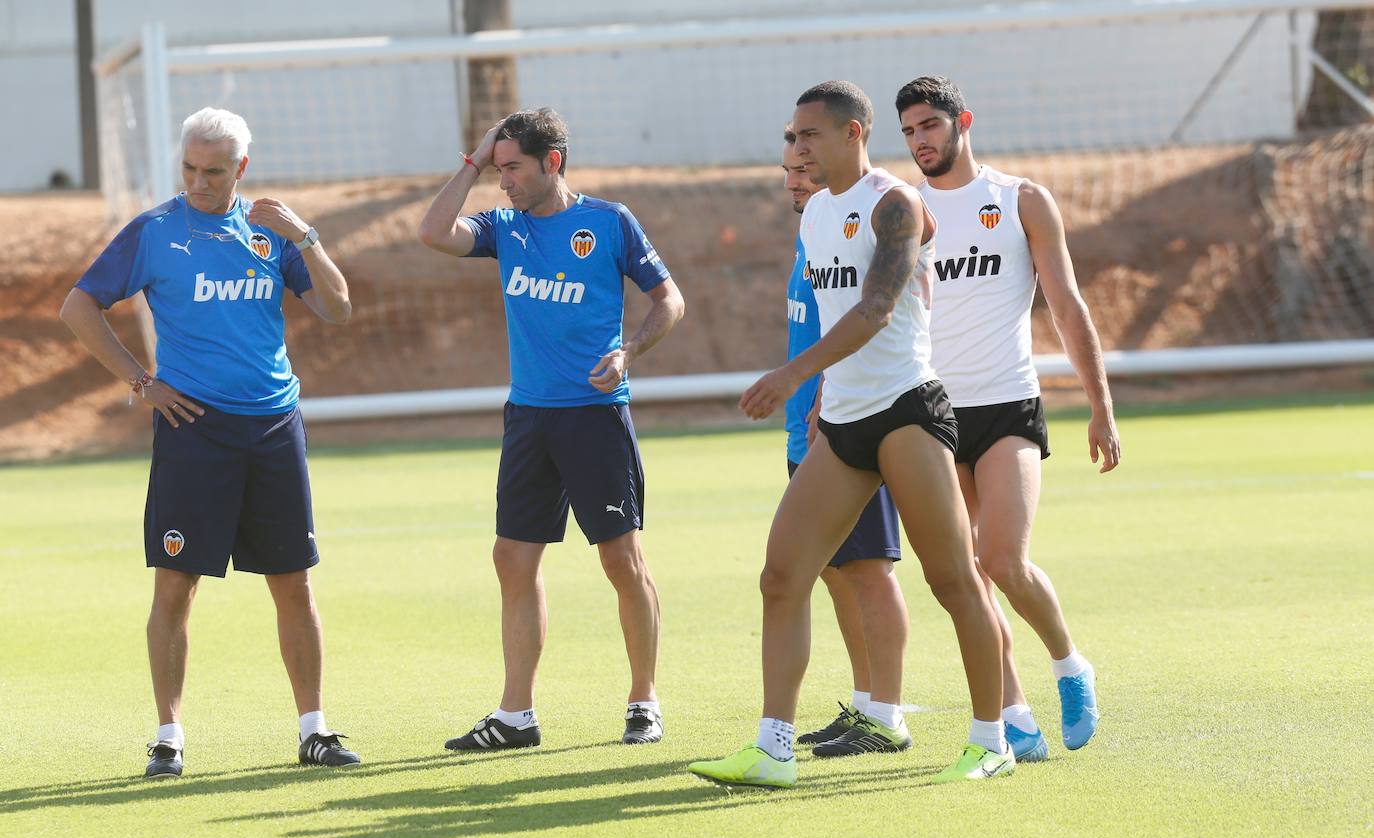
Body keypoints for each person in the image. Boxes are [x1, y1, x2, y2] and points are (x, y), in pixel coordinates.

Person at [689, 81, 1014, 788]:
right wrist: (822, 396)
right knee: (782, 576)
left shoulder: (895, 203)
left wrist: (791, 375)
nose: (798, 147)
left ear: (853, 134)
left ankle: (992, 740)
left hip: (907, 414)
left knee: (954, 580)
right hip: (843, 419)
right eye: (794, 136)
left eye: (810, 135)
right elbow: (838, 310)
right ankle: (773, 748)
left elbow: (873, 309)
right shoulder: (816, 217)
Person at [59, 107, 359, 779]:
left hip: (274, 426)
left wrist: (306, 238)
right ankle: (168, 737)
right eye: (189, 169)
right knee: (176, 586)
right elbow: (79, 306)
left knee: (293, 584)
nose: (197, 182)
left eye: (213, 171)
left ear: (241, 170)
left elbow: (337, 309)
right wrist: (142, 381)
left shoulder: (270, 232)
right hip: (193, 431)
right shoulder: (155, 231)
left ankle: (313, 729)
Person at [418, 108, 685, 750]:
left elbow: (669, 301)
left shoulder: (610, 222)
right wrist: (474, 160)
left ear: (553, 162)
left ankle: (644, 699)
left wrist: (629, 352)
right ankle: (516, 716)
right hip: (529, 417)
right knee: (513, 557)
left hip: (595, 417)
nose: (502, 181)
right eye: (497, 168)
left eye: (512, 168)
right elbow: (432, 232)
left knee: (620, 559)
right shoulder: (502, 227)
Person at [896, 75, 1121, 759]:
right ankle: (1016, 714)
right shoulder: (903, 211)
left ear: (962, 121)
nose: (919, 142)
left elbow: (1069, 306)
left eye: (929, 125)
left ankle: (1069, 665)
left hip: (1009, 405)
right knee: (967, 577)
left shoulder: (1020, 200)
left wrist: (1101, 407)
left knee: (1002, 556)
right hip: (933, 411)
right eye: (907, 132)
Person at [779, 127, 913, 758]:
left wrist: (822, 397)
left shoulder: (875, 218)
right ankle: (864, 704)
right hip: (808, 430)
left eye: (803, 169)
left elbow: (866, 322)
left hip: (852, 426)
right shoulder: (813, 238)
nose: (794, 183)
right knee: (834, 572)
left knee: (869, 569)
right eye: (787, 172)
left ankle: (886, 712)